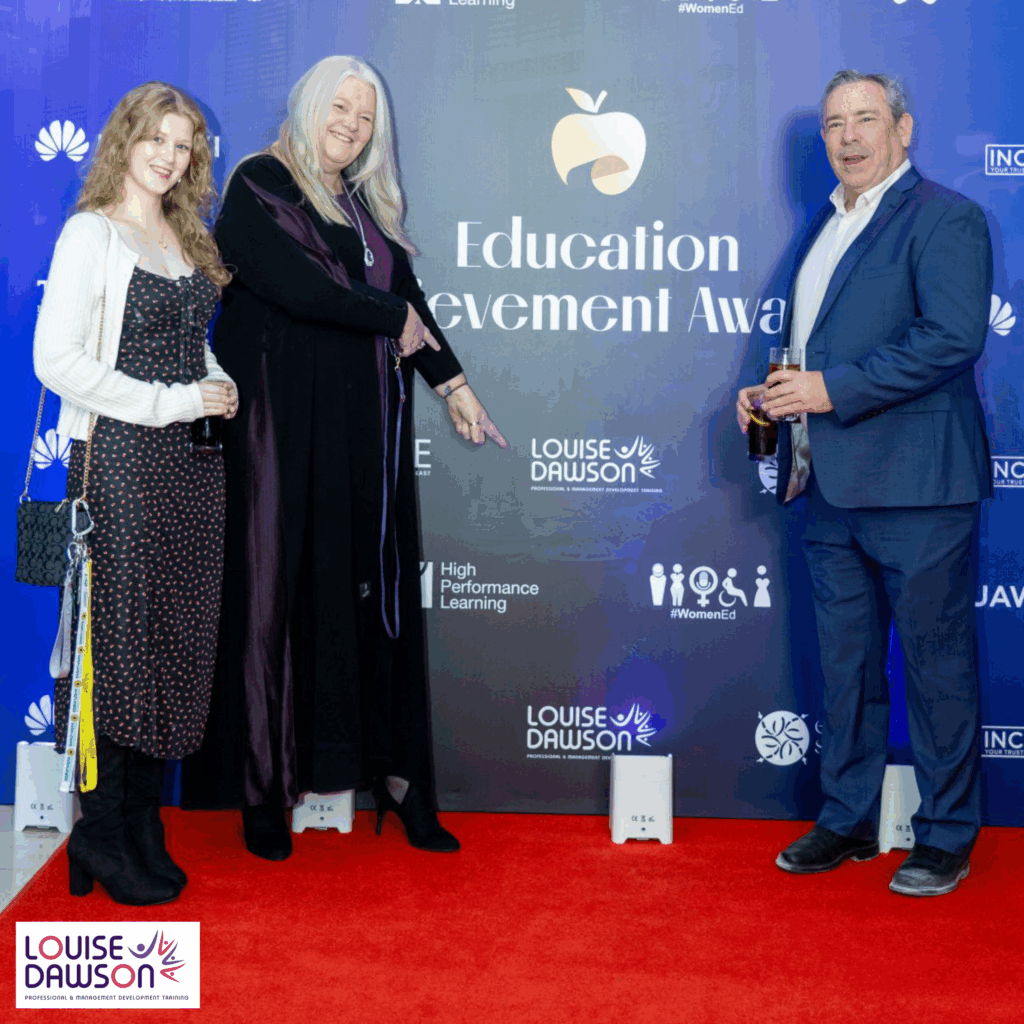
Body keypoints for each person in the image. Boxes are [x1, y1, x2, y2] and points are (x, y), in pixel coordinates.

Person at [180, 55, 506, 860]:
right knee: (279, 597)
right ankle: (265, 788)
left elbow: (409, 302)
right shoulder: (259, 184)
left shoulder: (363, 205)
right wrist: (389, 314)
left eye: (366, 116)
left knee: (374, 597)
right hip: (282, 435)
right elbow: (297, 286)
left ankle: (397, 782)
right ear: (309, 105)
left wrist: (453, 381)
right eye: (341, 108)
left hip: (364, 433)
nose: (352, 125)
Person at [736, 70, 992, 897]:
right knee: (845, 666)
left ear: (904, 129)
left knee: (935, 665)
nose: (848, 136)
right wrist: (774, 395)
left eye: (866, 119)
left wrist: (827, 390)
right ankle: (847, 817)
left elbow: (951, 339)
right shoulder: (827, 227)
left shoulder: (945, 217)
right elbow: (817, 349)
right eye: (834, 123)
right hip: (831, 487)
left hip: (919, 488)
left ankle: (947, 833)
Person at [33, 82, 238, 905]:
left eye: (184, 144)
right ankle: (100, 831)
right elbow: (58, 361)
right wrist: (172, 403)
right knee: (114, 651)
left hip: (189, 471)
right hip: (118, 463)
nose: (169, 155)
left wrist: (215, 383)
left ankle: (142, 825)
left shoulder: (185, 236)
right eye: (156, 137)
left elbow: (193, 348)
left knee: (172, 645)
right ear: (125, 139)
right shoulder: (93, 234)